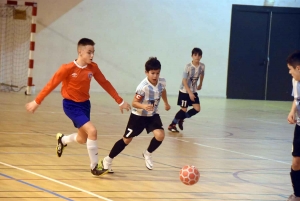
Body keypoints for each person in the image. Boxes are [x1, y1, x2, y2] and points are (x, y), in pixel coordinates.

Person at [25, 38, 131, 176]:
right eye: (89, 52)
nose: (92, 55)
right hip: (70, 105)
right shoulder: (67, 68)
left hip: (85, 105)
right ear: (80, 52)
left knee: (83, 139)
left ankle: (62, 140)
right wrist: (37, 101)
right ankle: (95, 167)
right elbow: (51, 84)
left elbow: (105, 83)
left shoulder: (93, 68)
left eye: (93, 52)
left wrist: (120, 101)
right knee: (92, 131)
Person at [100, 57, 170, 172]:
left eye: (157, 73)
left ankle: (147, 153)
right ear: (146, 72)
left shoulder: (162, 82)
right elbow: (134, 103)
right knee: (126, 140)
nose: (155, 76)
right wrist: (144, 106)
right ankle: (107, 160)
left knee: (160, 135)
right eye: (152, 73)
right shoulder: (143, 87)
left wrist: (166, 103)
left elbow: (163, 90)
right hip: (138, 116)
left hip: (152, 115)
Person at [168, 47, 205, 132]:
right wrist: (190, 93)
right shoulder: (188, 66)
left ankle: (181, 118)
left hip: (193, 90)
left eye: (199, 55)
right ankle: (172, 124)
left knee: (197, 109)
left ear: (201, 57)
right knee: (184, 109)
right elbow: (184, 80)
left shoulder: (202, 66)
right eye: (195, 55)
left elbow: (202, 74)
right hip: (185, 91)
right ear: (192, 56)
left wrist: (200, 84)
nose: (197, 57)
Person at [287, 50, 300, 201]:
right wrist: (292, 112)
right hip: (299, 126)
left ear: (298, 68)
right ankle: (297, 195)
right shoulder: (295, 81)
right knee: (296, 162)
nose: (290, 72)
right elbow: (297, 99)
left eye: (290, 69)